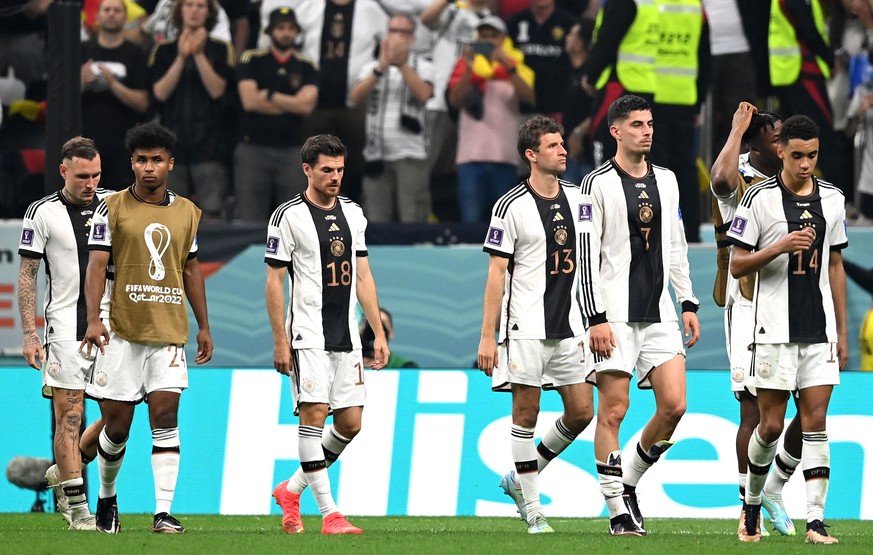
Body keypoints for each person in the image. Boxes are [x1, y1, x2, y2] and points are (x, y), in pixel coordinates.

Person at [82, 121, 214, 534]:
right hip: (120, 329)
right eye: (141, 160)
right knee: (117, 426)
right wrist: (92, 319)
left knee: (165, 415)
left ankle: (162, 512)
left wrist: (204, 326)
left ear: (170, 164)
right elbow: (97, 265)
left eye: (157, 160)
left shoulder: (188, 212)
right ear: (132, 163)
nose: (149, 168)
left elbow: (191, 269)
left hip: (168, 330)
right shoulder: (112, 207)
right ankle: (107, 498)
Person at [578, 94, 700, 536]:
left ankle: (626, 483)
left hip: (660, 311)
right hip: (612, 314)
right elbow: (586, 255)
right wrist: (595, 317)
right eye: (636, 124)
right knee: (613, 412)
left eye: (649, 123)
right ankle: (616, 512)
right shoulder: (596, 184)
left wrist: (687, 301)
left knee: (674, 405)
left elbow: (676, 244)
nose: (646, 131)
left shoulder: (668, 180)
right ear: (616, 131)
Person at [727, 114, 848, 544]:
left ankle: (815, 521)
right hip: (772, 329)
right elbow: (737, 263)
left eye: (812, 156)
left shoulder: (833, 199)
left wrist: (843, 332)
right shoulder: (757, 198)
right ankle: (752, 504)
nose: (805, 164)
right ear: (781, 151)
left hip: (820, 331)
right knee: (772, 426)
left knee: (815, 422)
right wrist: (778, 245)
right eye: (797, 155)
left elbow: (835, 265)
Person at [266, 134, 389, 535]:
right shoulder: (287, 216)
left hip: (347, 334)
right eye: (326, 170)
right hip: (307, 333)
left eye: (339, 169)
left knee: (350, 423)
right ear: (307, 169)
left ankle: (291, 489)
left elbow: (364, 274)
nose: (335, 177)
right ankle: (330, 514)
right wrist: (280, 341)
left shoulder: (354, 213)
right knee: (314, 415)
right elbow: (273, 282)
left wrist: (376, 333)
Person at [477, 116, 594, 534]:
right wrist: (488, 336)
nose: (563, 151)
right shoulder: (509, 205)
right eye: (552, 146)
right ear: (531, 155)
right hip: (525, 324)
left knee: (581, 412)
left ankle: (518, 479)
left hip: (570, 325)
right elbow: (496, 274)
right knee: (526, 412)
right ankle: (534, 509)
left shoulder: (581, 199)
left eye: (563, 144)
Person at [710, 102, 801, 539]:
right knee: (752, 408)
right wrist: (736, 129)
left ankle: (775, 487)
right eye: (775, 137)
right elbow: (719, 181)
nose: (783, 144)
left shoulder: (798, 176)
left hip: (795, 301)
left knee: (810, 407)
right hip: (749, 302)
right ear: (758, 145)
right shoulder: (740, 175)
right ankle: (749, 510)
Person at [17, 137, 110, 531]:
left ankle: (67, 468)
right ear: (63, 171)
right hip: (65, 330)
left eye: (97, 175)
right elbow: (27, 276)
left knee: (119, 416)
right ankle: (78, 509)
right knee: (69, 416)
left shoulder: (115, 204)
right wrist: (29, 334)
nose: (91, 184)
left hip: (113, 328)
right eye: (83, 176)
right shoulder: (41, 213)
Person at [149, 0, 235, 219]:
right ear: (180, 11)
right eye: (189, 5)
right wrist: (181, 56)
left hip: (210, 144)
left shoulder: (220, 48)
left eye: (200, 6)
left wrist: (198, 54)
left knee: (212, 211)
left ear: (209, 13)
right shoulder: (164, 49)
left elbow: (217, 90)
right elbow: (159, 93)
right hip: (172, 142)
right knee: (173, 215)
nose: (194, 11)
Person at [447, 15, 535, 223]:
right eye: (483, 36)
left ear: (504, 38)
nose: (487, 40)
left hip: (504, 158)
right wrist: (469, 69)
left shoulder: (517, 66)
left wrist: (507, 66)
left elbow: (529, 97)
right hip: (470, 158)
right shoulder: (464, 66)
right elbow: (455, 100)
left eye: (493, 36)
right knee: (471, 223)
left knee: (504, 225)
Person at [234, 7, 318, 222]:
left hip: (292, 149)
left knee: (293, 218)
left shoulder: (306, 65)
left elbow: (306, 107)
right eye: (280, 28)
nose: (286, 33)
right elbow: (250, 101)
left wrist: (270, 95)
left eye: (290, 28)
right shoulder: (251, 59)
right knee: (249, 215)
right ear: (269, 31)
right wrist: (292, 102)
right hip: (253, 147)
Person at [350, 13, 435, 223]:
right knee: (376, 220)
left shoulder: (423, 66)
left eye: (403, 32)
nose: (397, 37)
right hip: (376, 153)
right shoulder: (371, 67)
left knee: (412, 216)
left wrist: (403, 64)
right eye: (393, 31)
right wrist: (382, 67)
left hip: (411, 153)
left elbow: (424, 95)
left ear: (412, 38)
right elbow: (355, 97)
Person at [81, 0, 150, 191]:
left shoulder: (136, 54)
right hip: (86, 142)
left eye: (117, 10)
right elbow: (61, 99)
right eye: (107, 10)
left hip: (124, 144)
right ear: (97, 16)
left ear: (126, 18)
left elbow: (143, 103)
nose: (111, 14)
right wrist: (82, 82)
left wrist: (112, 84)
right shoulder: (81, 50)